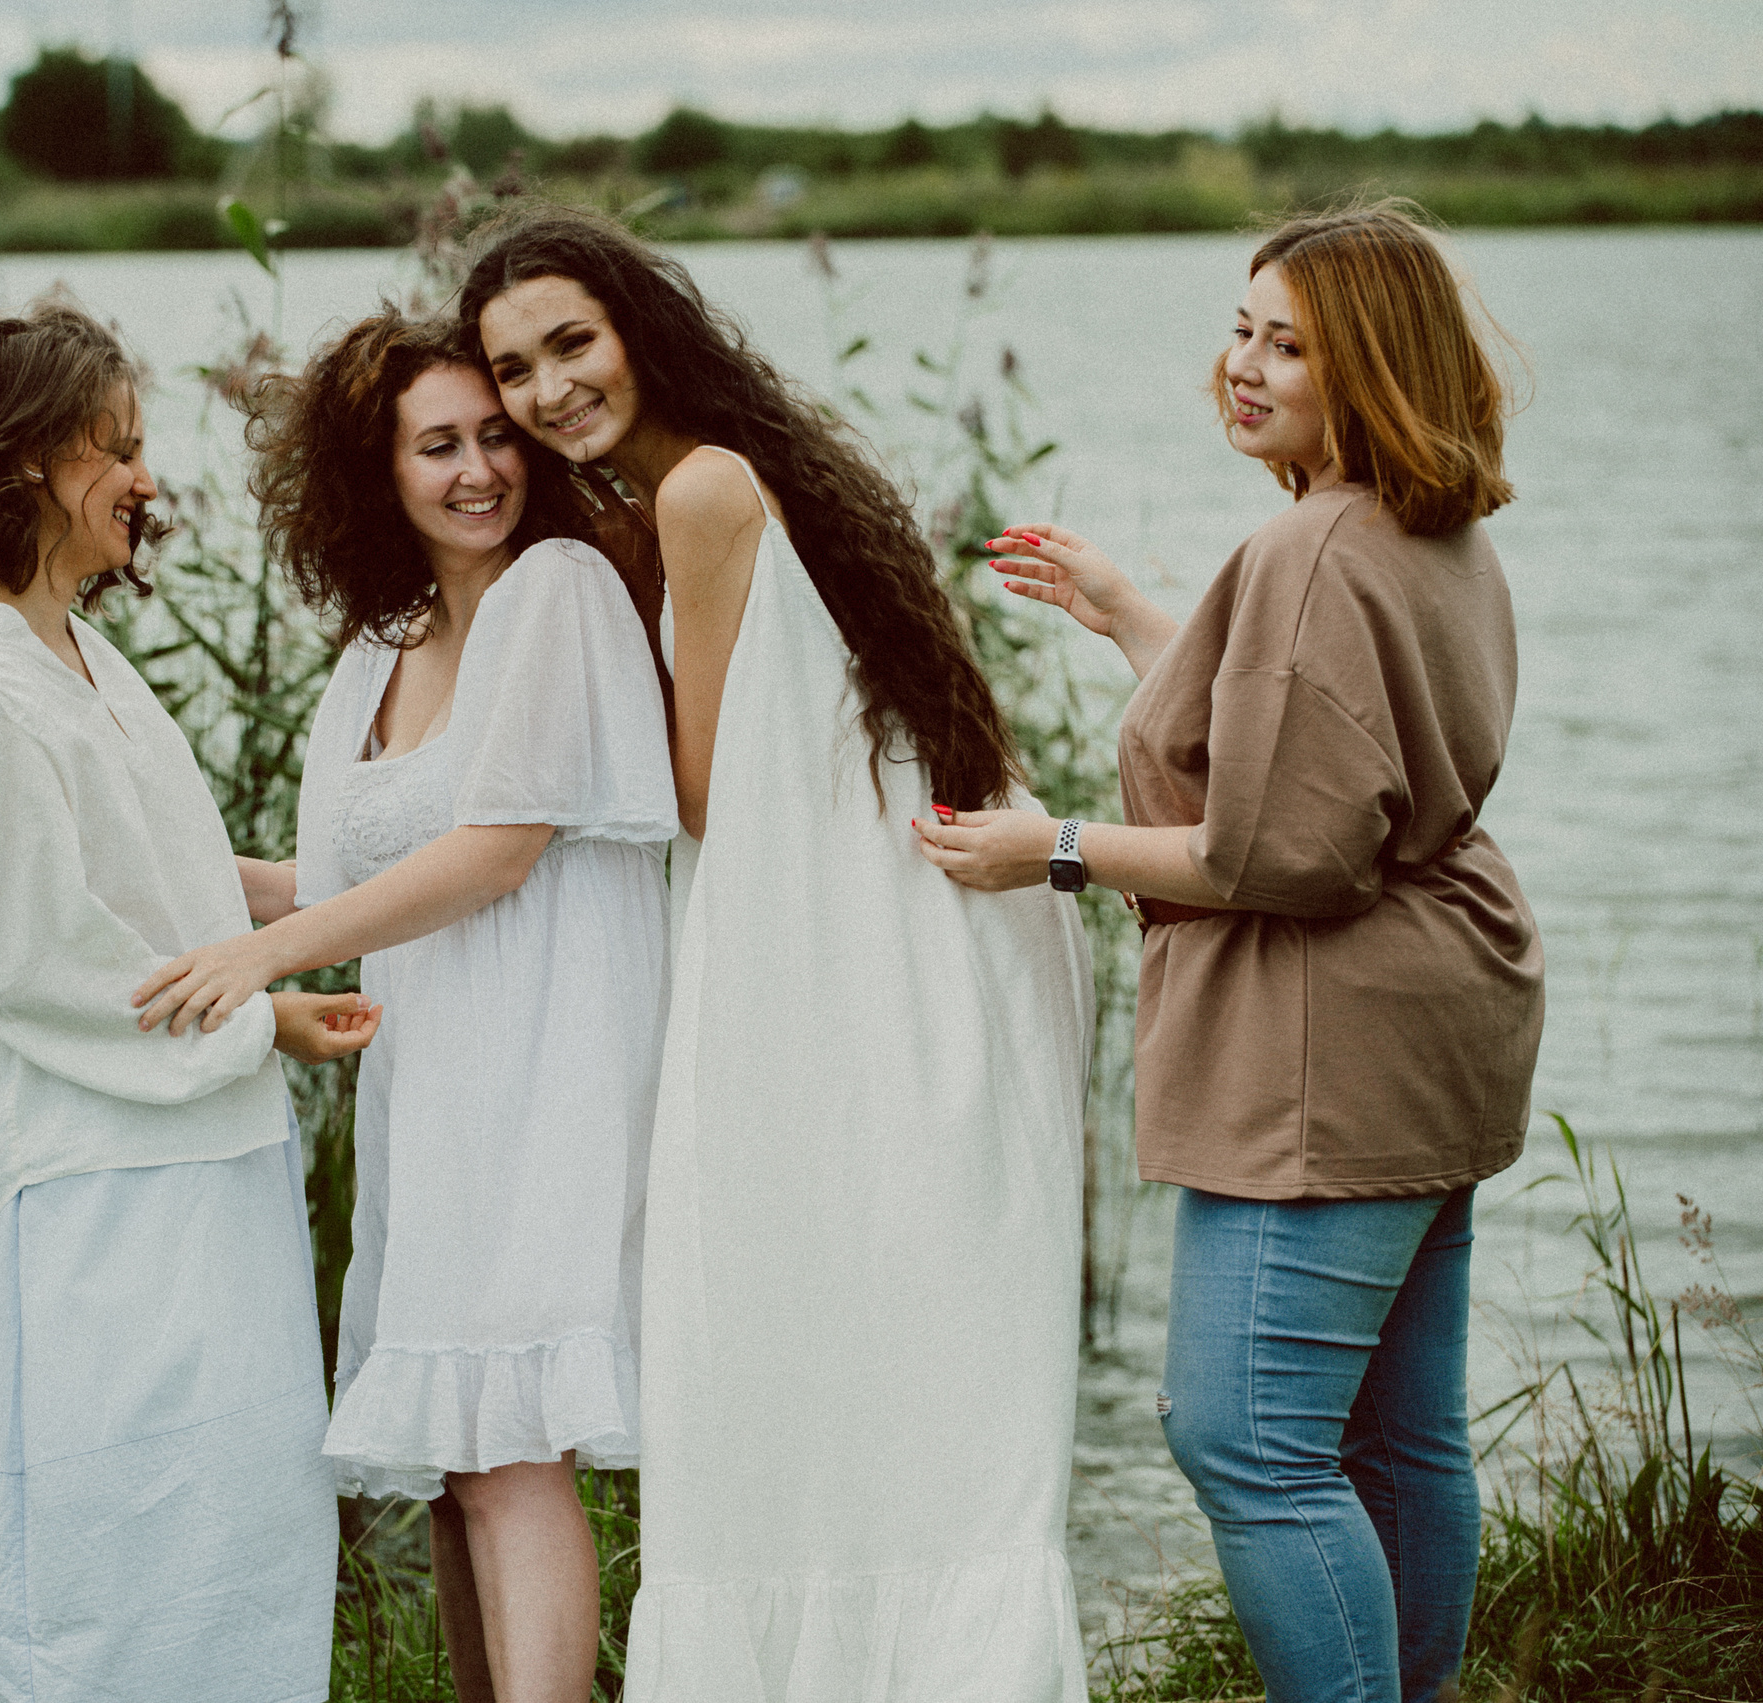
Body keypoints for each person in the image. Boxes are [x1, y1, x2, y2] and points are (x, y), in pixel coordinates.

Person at [459, 207, 1097, 1700]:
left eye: (571, 343)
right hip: (901, 942)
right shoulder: (734, 470)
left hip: (837, 962)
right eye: (516, 371)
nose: (549, 391)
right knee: (888, 1347)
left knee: (773, 1328)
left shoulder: (699, 495)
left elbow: (699, 791)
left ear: (637, 329)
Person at [916, 201, 1545, 1703]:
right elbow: (1322, 743)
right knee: (1398, 1435)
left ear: (1372, 365)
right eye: (1240, 329)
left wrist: (1045, 849)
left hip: (1329, 1040)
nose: (1242, 368)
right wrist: (1138, 615)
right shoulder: (1426, 524)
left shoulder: (1313, 547)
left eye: (1289, 345)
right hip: (1442, 1014)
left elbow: (1285, 852)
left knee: (1246, 1438)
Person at [131, 308, 675, 1703]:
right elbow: (321, 877)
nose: (480, 468)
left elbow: (501, 848)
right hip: (432, 1088)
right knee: (454, 1462)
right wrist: (143, 873)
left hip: (545, 1064)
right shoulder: (383, 644)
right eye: (438, 446)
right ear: (376, 472)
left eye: (497, 435)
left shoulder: (559, 587)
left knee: (507, 1451)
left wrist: (271, 957)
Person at [0, 297, 375, 1703]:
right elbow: (43, 969)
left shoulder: (71, 654)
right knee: (97, 1555)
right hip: (91, 1193)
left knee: (224, 1534)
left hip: (197, 1163)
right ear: (24, 465)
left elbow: (159, 879)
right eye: (114, 450)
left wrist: (351, 900)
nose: (146, 480)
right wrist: (272, 1016)